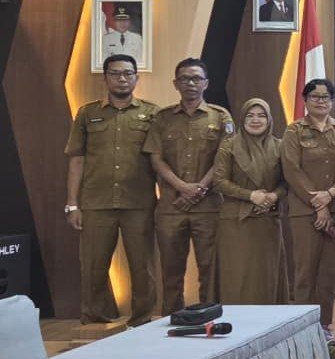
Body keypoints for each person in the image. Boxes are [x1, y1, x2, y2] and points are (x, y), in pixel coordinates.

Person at [64, 54, 159, 325]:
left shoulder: (152, 113)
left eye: (128, 73)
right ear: (105, 78)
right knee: (93, 267)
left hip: (139, 203)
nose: (122, 79)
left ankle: (142, 321)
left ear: (136, 78)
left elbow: (160, 160)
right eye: (115, 73)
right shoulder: (87, 113)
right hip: (96, 203)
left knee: (143, 268)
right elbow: (77, 159)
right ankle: (96, 321)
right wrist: (72, 204)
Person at [143, 58, 234, 314]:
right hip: (171, 207)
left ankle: (209, 317)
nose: (190, 83)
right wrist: (183, 187)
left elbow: (224, 159)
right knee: (171, 269)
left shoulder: (220, 116)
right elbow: (156, 158)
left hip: (209, 207)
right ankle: (172, 317)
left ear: (206, 83)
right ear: (175, 84)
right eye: (184, 79)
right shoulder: (162, 118)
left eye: (196, 78)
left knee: (210, 268)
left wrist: (199, 188)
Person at [282, 78, 335, 342]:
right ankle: (302, 329)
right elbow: (291, 169)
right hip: (303, 210)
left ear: (332, 101)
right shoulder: (294, 131)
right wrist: (318, 203)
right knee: (305, 271)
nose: (320, 101)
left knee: (328, 271)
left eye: (325, 97)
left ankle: (324, 325)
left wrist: (331, 194)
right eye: (315, 97)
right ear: (305, 100)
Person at [212, 98, 287, 304]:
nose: (256, 120)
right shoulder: (229, 146)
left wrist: (273, 196)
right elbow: (219, 181)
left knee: (266, 277)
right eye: (250, 116)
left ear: (269, 120)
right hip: (236, 221)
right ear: (242, 119)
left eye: (261, 116)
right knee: (237, 277)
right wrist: (251, 195)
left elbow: (286, 182)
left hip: (267, 219)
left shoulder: (280, 146)